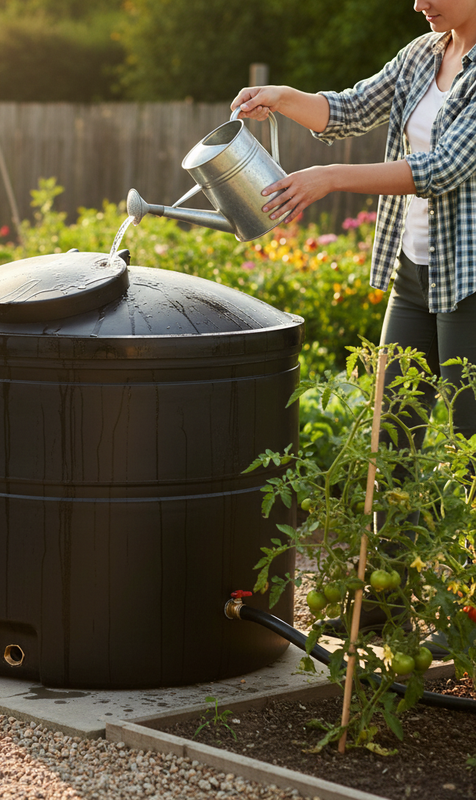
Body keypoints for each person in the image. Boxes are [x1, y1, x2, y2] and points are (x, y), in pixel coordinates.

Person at [230, 0, 476, 655]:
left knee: (475, 445)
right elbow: (350, 108)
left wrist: (329, 180)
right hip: (416, 273)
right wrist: (282, 98)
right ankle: (384, 608)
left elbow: (442, 168)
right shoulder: (425, 54)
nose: (419, 2)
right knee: (389, 438)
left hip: (471, 280)